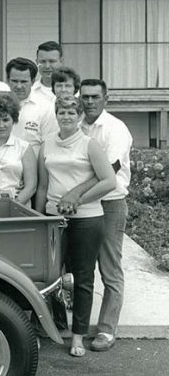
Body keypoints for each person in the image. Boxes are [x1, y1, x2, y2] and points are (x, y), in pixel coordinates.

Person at [35, 94, 116, 357]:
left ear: (80, 116)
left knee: (82, 278)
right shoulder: (46, 144)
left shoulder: (89, 145)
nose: (66, 117)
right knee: (49, 277)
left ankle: (78, 336)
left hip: (86, 219)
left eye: (72, 112)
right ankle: (52, 329)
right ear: (56, 115)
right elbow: (43, 186)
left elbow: (108, 181)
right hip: (53, 218)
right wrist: (38, 216)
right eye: (62, 112)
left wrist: (77, 199)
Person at [60, 79, 132, 352]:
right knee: (78, 269)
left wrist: (74, 194)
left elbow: (108, 170)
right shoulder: (77, 124)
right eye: (85, 97)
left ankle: (106, 330)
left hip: (110, 203)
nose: (89, 101)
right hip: (80, 208)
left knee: (110, 268)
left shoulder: (115, 128)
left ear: (106, 99)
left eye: (95, 97)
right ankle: (71, 324)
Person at [0, 92, 37, 204]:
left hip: (18, 207)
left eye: (5, 120)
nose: (1, 125)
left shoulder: (24, 147)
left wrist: (13, 206)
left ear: (13, 120)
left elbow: (31, 187)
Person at [6, 57, 59, 155]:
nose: (18, 86)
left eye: (24, 82)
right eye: (14, 81)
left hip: (33, 168)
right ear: (7, 80)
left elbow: (49, 146)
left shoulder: (46, 108)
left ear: (33, 81)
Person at [31, 40, 61, 106]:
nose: (47, 66)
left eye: (52, 61)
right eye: (43, 61)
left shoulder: (74, 92)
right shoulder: (29, 91)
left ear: (61, 61)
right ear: (36, 62)